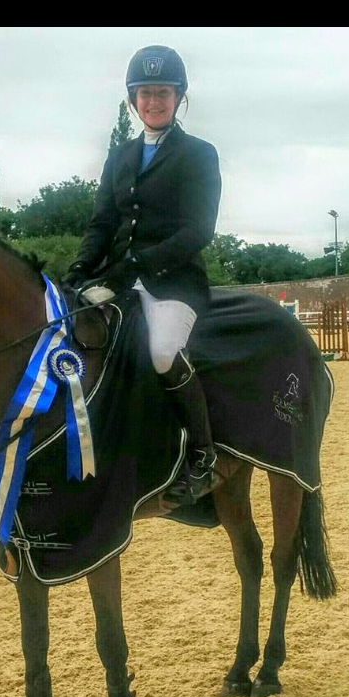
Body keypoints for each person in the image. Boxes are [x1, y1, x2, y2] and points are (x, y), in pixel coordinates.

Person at [65, 45, 222, 504]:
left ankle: (203, 455)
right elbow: (103, 223)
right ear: (133, 100)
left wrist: (141, 263)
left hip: (174, 281)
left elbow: (199, 229)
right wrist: (78, 270)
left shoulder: (198, 154)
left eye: (162, 93)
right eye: (145, 94)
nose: (154, 102)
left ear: (178, 98)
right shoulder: (121, 155)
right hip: (117, 277)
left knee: (159, 351)